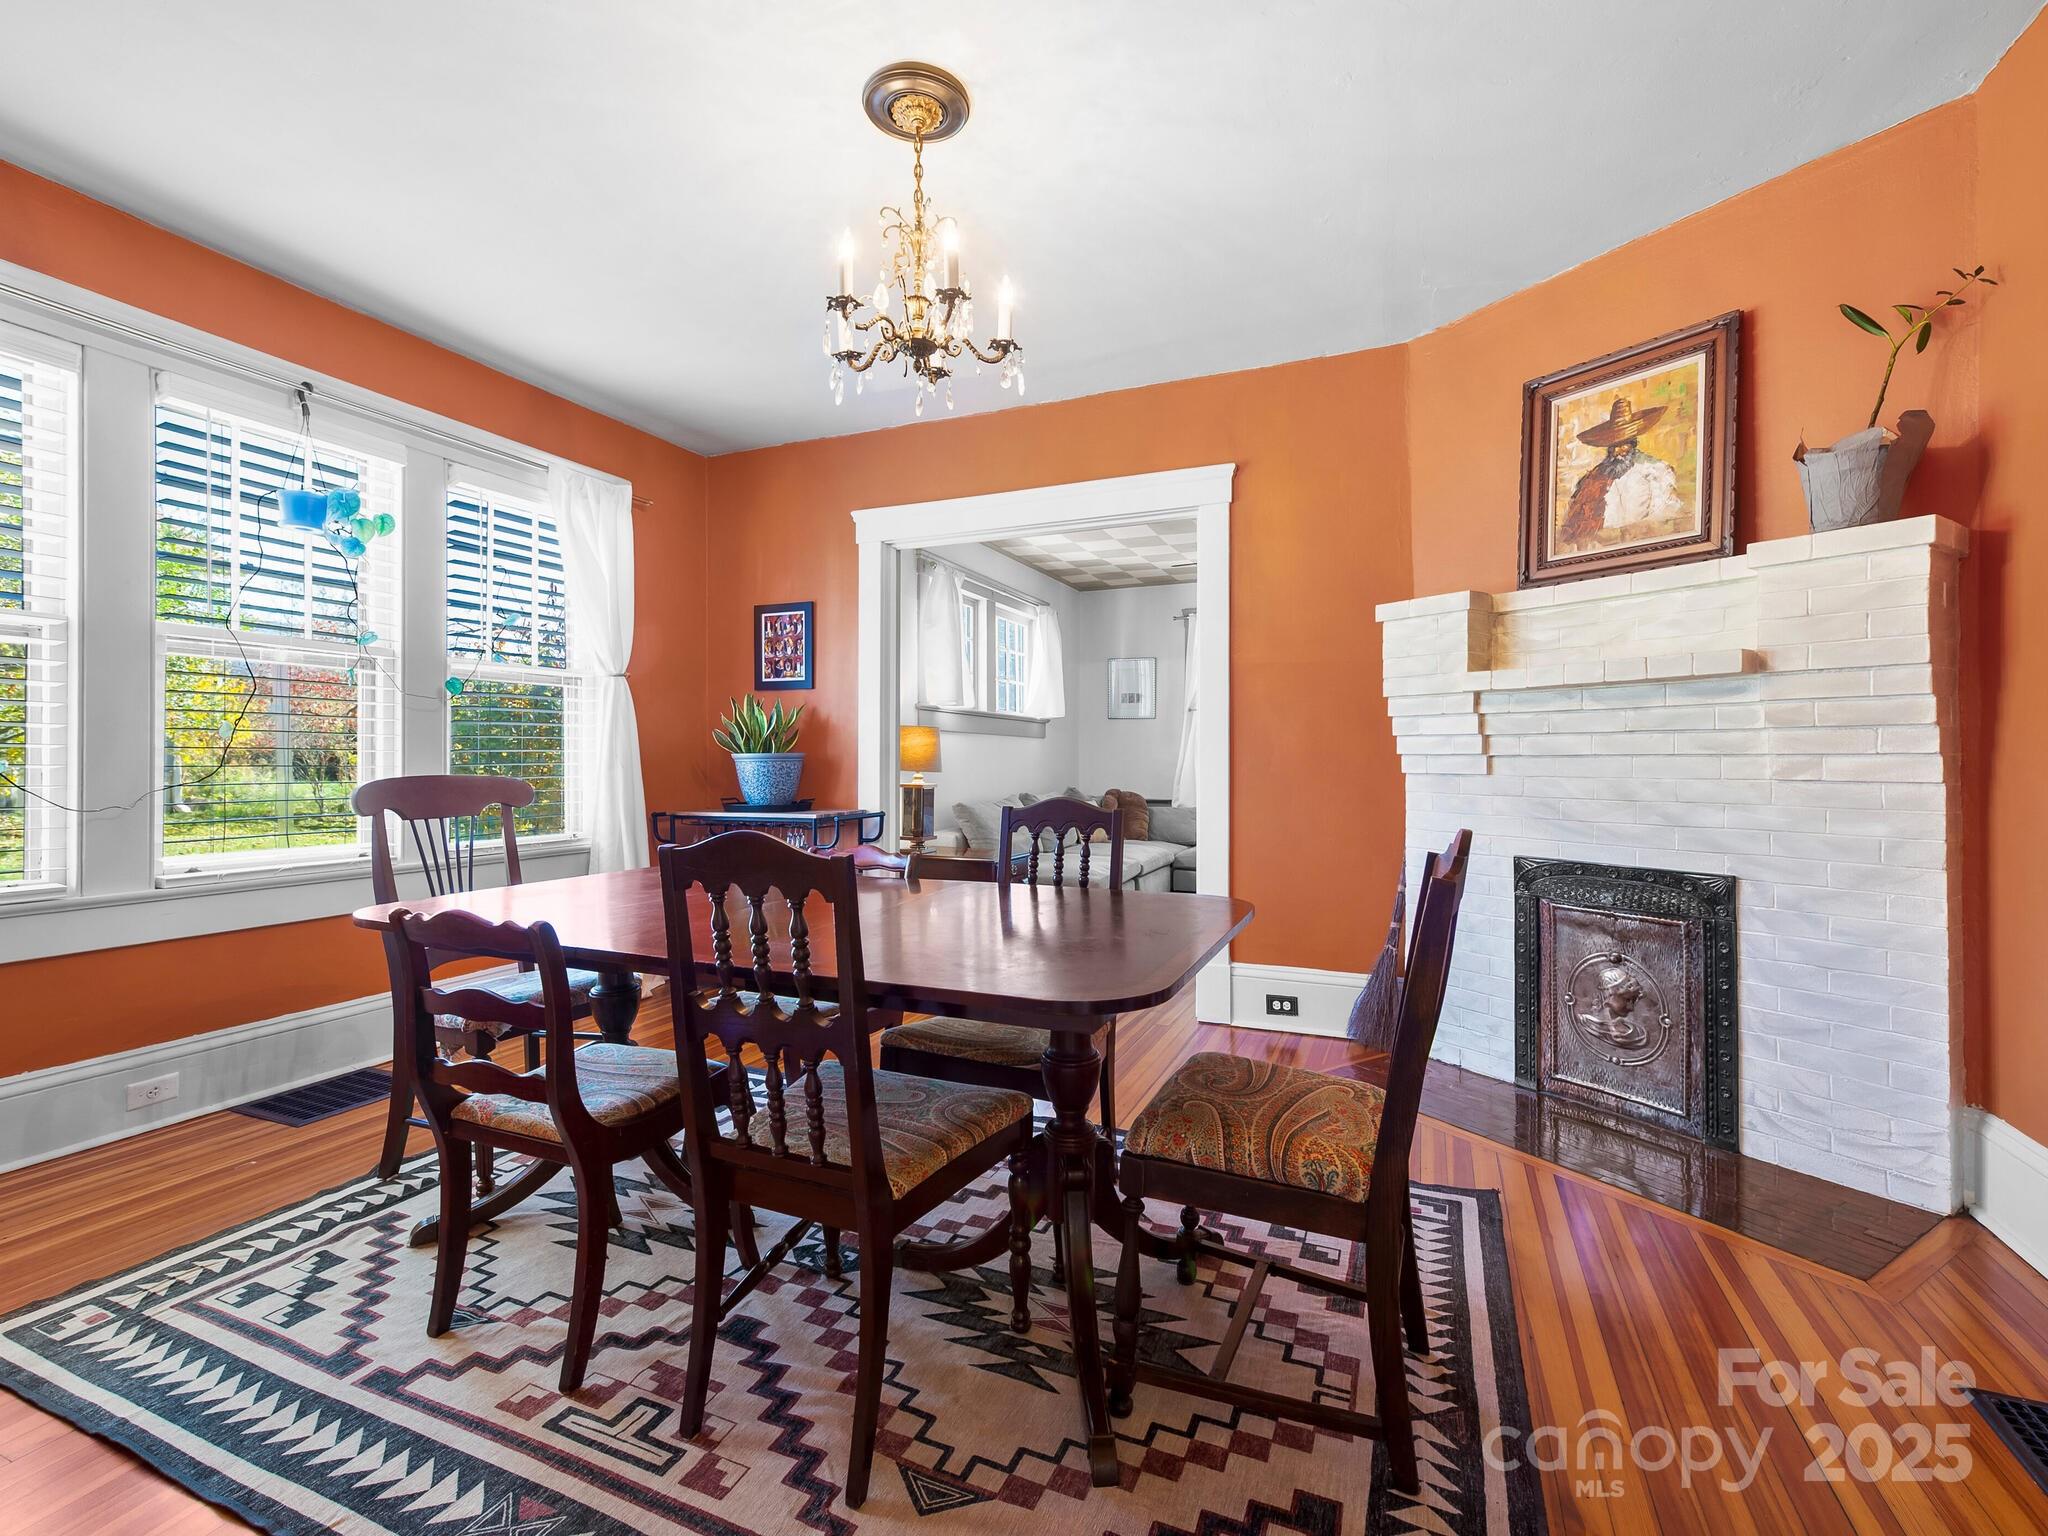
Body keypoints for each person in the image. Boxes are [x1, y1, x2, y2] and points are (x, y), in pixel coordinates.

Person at [1557, 396, 1685, 549]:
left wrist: (1627, 534)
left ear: (1632, 443)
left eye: (1622, 445)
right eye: (1613, 446)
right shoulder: (1593, 479)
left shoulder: (1657, 470)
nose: (1617, 451)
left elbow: (1667, 516)